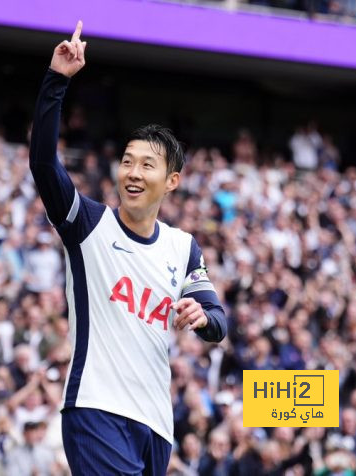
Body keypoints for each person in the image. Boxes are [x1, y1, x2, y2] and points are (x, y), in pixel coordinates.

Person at [29, 21, 227, 475]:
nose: (133, 173)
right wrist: (57, 80)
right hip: (96, 408)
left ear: (172, 181)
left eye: (147, 165)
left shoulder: (183, 247)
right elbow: (43, 163)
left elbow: (218, 322)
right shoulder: (87, 223)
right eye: (127, 162)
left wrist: (202, 317)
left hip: (156, 424)